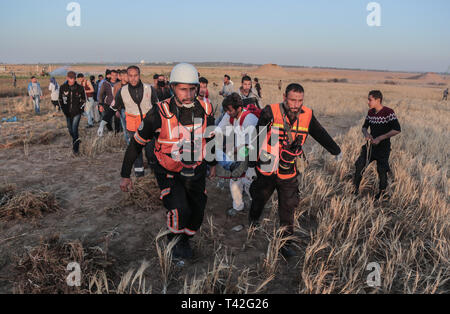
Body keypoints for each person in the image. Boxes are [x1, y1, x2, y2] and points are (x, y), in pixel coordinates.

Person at [120, 63, 216, 261]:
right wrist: (125, 174)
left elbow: (211, 137)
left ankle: (186, 238)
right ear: (173, 87)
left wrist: (212, 164)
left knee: (197, 211)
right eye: (183, 89)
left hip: (196, 170)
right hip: (168, 172)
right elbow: (136, 145)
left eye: (192, 89)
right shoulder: (157, 113)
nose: (189, 94)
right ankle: (175, 243)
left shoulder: (206, 109)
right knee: (179, 209)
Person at [248, 83, 342, 258]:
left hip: (288, 169)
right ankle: (253, 219)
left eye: (299, 101)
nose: (295, 105)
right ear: (284, 97)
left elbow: (320, 133)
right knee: (259, 199)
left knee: (288, 207)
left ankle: (285, 244)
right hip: (267, 168)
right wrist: (251, 164)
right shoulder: (270, 111)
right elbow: (256, 137)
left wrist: (336, 150)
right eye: (292, 100)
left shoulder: (307, 115)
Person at [99, 66, 157, 177]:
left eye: (135, 75)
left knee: (151, 154)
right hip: (132, 128)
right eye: (130, 76)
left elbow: (157, 107)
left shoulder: (149, 89)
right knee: (136, 154)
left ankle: (155, 175)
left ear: (139, 75)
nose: (133, 78)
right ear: (127, 76)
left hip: (148, 127)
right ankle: (140, 178)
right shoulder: (122, 91)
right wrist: (102, 123)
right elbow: (113, 108)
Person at [353, 90, 401, 200]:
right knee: (359, 165)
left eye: (370, 99)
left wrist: (380, 138)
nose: (368, 102)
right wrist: (367, 134)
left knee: (382, 170)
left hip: (383, 147)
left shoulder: (388, 112)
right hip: (370, 146)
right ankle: (355, 189)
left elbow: (397, 129)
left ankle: (382, 193)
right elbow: (364, 127)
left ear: (378, 100)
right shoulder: (370, 113)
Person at [217, 93, 259, 217]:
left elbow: (250, 146)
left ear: (239, 108)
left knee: (248, 182)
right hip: (242, 151)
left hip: (253, 154)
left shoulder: (249, 120)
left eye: (229, 110)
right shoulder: (233, 116)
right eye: (226, 111)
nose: (227, 113)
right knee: (235, 180)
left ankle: (255, 207)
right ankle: (238, 207)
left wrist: (232, 152)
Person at [59, 71, 86, 155]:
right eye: (70, 78)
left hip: (77, 113)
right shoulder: (63, 87)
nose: (72, 80)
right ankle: (76, 139)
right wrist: (63, 110)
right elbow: (60, 99)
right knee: (70, 130)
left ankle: (75, 149)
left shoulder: (80, 88)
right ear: (67, 78)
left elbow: (84, 100)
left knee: (74, 129)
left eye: (74, 78)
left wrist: (80, 109)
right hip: (67, 112)